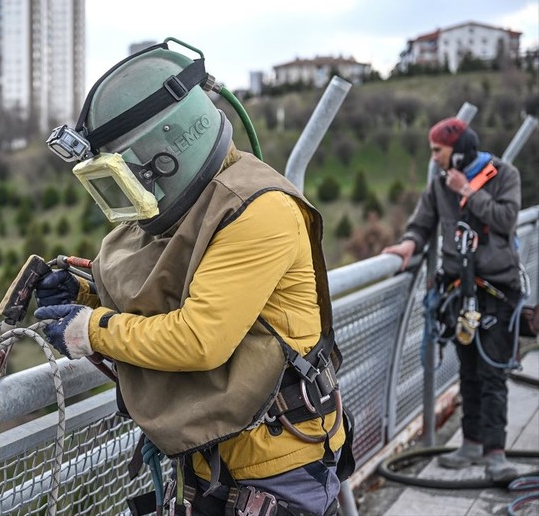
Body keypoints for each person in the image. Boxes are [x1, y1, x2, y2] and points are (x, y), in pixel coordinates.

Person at [33, 39, 351, 516]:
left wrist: (91, 329)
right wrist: (86, 292)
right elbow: (173, 291)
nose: (136, 196)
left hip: (275, 467)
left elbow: (199, 338)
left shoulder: (260, 211)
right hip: (213, 460)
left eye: (130, 178)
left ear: (166, 155)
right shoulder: (198, 203)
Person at [382, 117, 522, 482]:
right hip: (459, 294)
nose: (433, 159)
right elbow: (422, 223)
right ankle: (472, 442)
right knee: (469, 372)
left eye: (437, 151)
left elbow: (507, 220)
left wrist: (470, 193)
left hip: (497, 292)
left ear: (458, 154)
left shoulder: (504, 175)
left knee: (493, 373)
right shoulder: (439, 187)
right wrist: (409, 245)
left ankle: (496, 453)